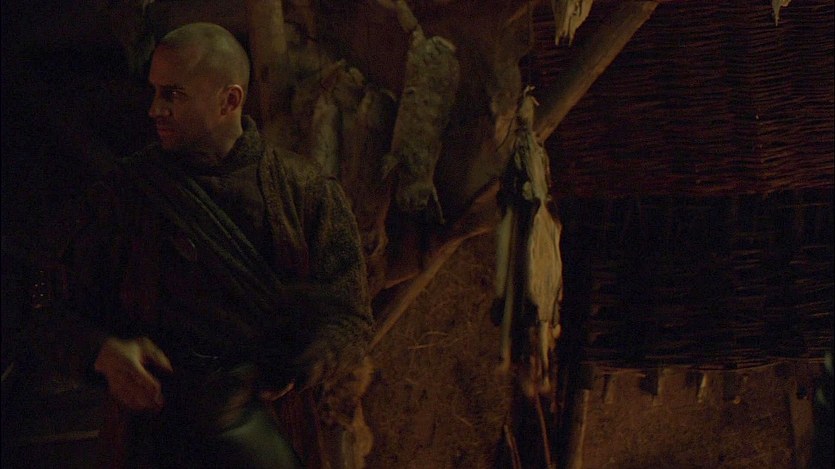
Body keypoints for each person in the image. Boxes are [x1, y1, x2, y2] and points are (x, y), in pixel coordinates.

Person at [42, 22, 373, 468]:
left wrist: (304, 360)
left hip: (267, 433)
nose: (154, 109)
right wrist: (102, 352)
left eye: (173, 94)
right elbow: (47, 310)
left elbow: (351, 318)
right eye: (155, 91)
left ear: (229, 101)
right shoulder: (122, 198)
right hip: (152, 442)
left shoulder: (305, 193)